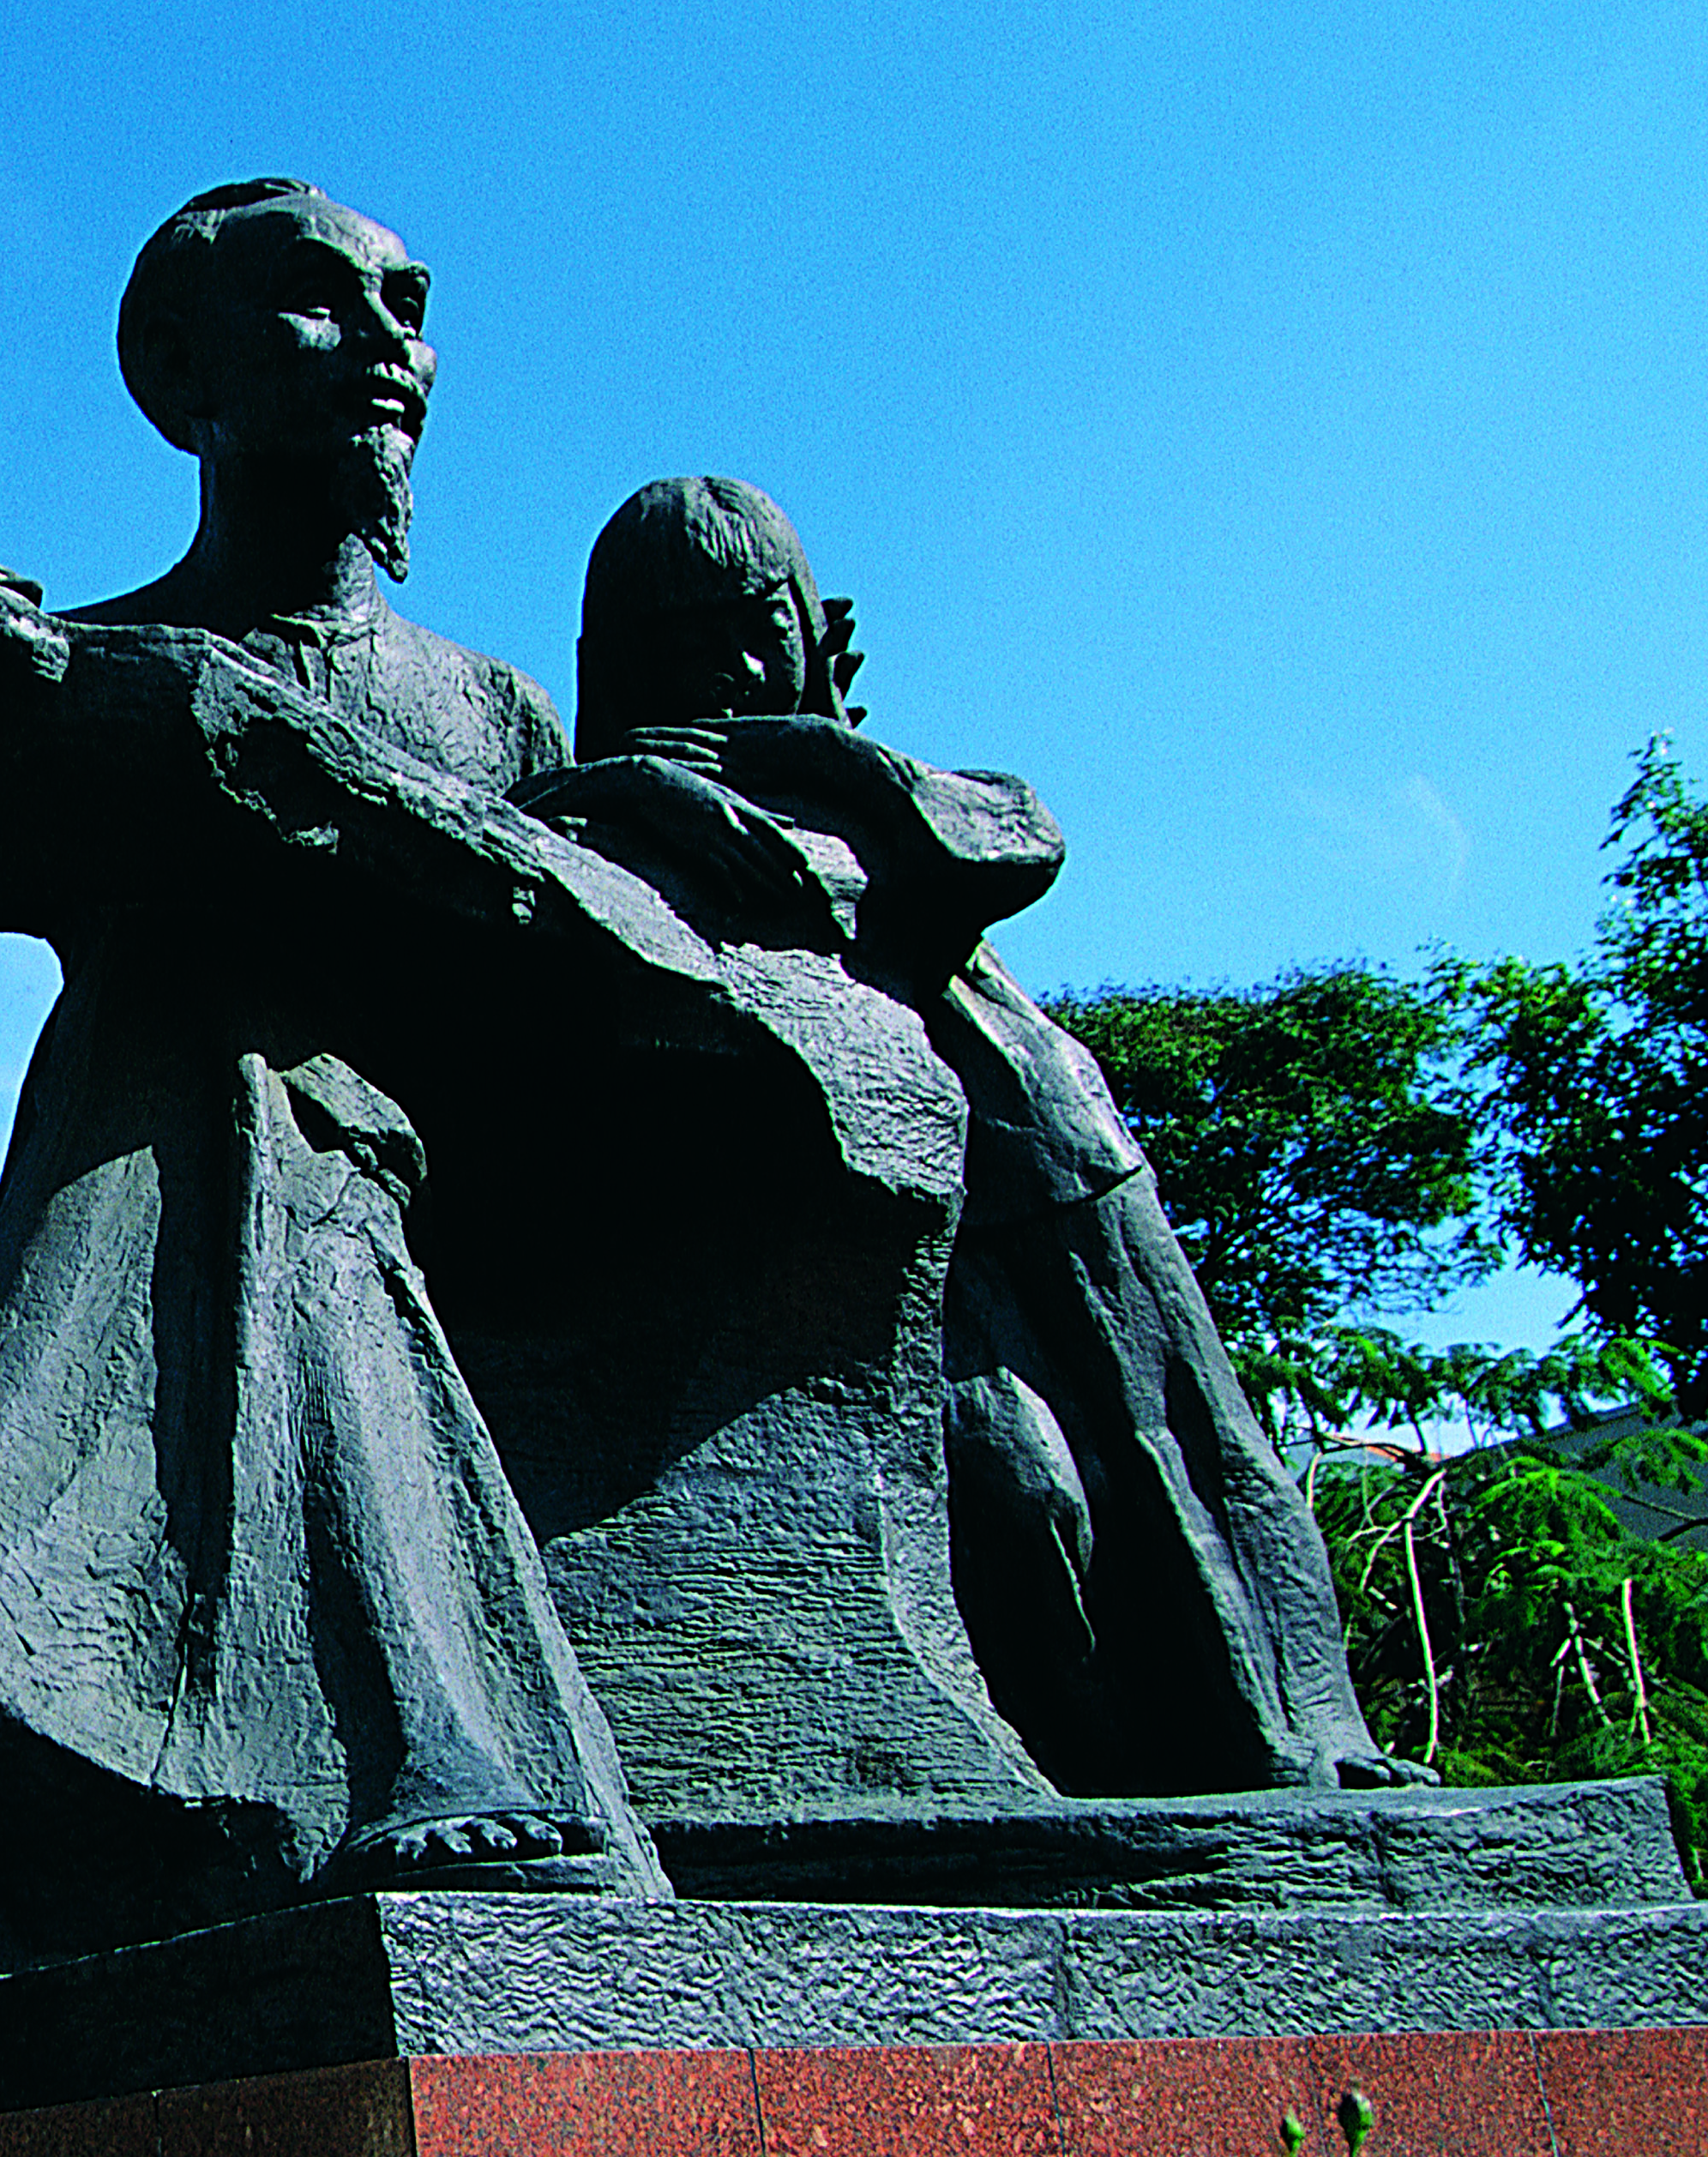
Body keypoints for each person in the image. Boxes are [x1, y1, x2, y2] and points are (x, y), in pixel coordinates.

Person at [0, 183, 904, 1968]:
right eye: (319, 306)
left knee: (230, 999)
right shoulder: (104, 658)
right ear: (181, 374)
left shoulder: (489, 710)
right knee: (216, 1005)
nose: (391, 353)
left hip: (505, 1194)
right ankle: (420, 1738)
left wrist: (653, 811)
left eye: (410, 312)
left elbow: (580, 923)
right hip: (248, 1192)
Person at [533, 475, 1402, 1794]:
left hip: (1052, 1168)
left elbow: (1011, 841)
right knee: (1017, 1486)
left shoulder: (868, 787)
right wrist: (664, 785)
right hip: (872, 1224)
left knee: (1185, 1451)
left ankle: (1303, 1741)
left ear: (819, 632)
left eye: (762, 626)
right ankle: (1099, 1775)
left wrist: (817, 750)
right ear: (619, 661)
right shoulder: (618, 810)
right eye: (686, 639)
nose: (735, 666)